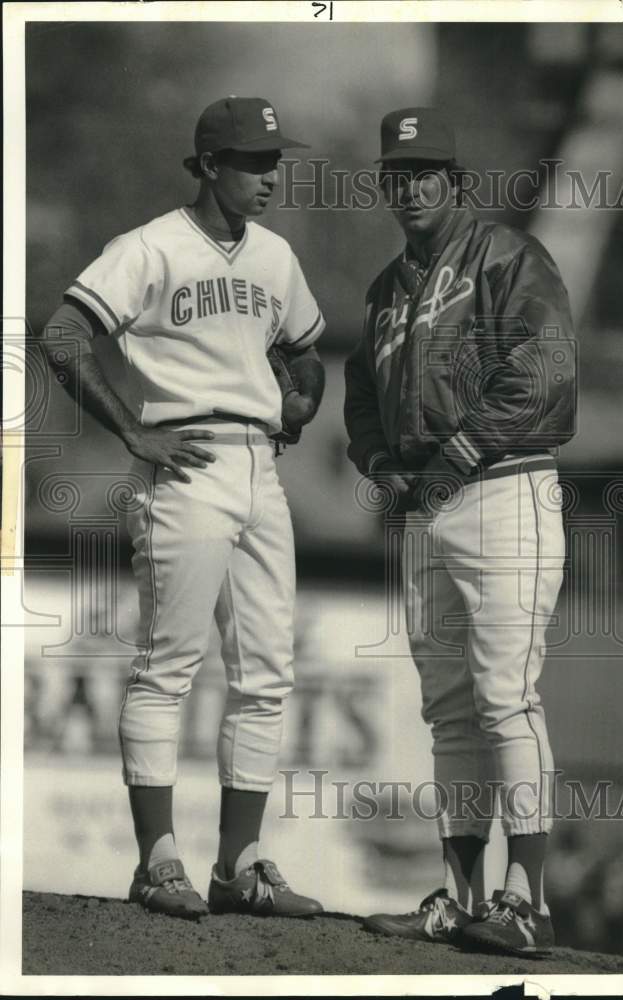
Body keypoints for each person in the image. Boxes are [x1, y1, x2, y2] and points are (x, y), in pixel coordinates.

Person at [42, 96, 326, 920]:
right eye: (250, 160)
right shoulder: (149, 246)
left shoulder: (275, 256)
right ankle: (157, 860)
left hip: (259, 470)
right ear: (205, 165)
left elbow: (307, 358)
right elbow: (63, 336)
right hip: (186, 457)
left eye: (273, 160)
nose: (268, 175)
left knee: (267, 672)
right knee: (168, 667)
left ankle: (238, 867)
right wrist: (132, 431)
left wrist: (298, 403)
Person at [344, 107, 576, 956]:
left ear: (458, 180)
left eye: (426, 172)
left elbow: (543, 371)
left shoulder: (507, 256)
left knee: (504, 695)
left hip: (504, 490)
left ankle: (527, 902)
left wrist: (456, 454)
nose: (412, 187)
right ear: (384, 185)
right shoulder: (384, 290)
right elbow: (361, 397)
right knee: (448, 708)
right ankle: (463, 895)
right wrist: (380, 464)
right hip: (427, 505)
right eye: (398, 175)